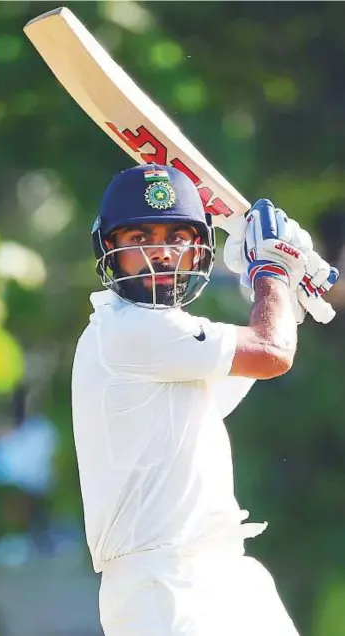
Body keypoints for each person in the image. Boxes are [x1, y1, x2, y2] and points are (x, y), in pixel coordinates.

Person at [71, 163, 338, 636]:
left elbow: (230, 381)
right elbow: (270, 353)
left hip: (224, 571)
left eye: (176, 237)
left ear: (200, 250)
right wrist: (271, 270)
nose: (160, 253)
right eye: (140, 236)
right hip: (163, 590)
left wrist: (286, 296)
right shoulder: (125, 328)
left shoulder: (167, 348)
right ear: (110, 248)